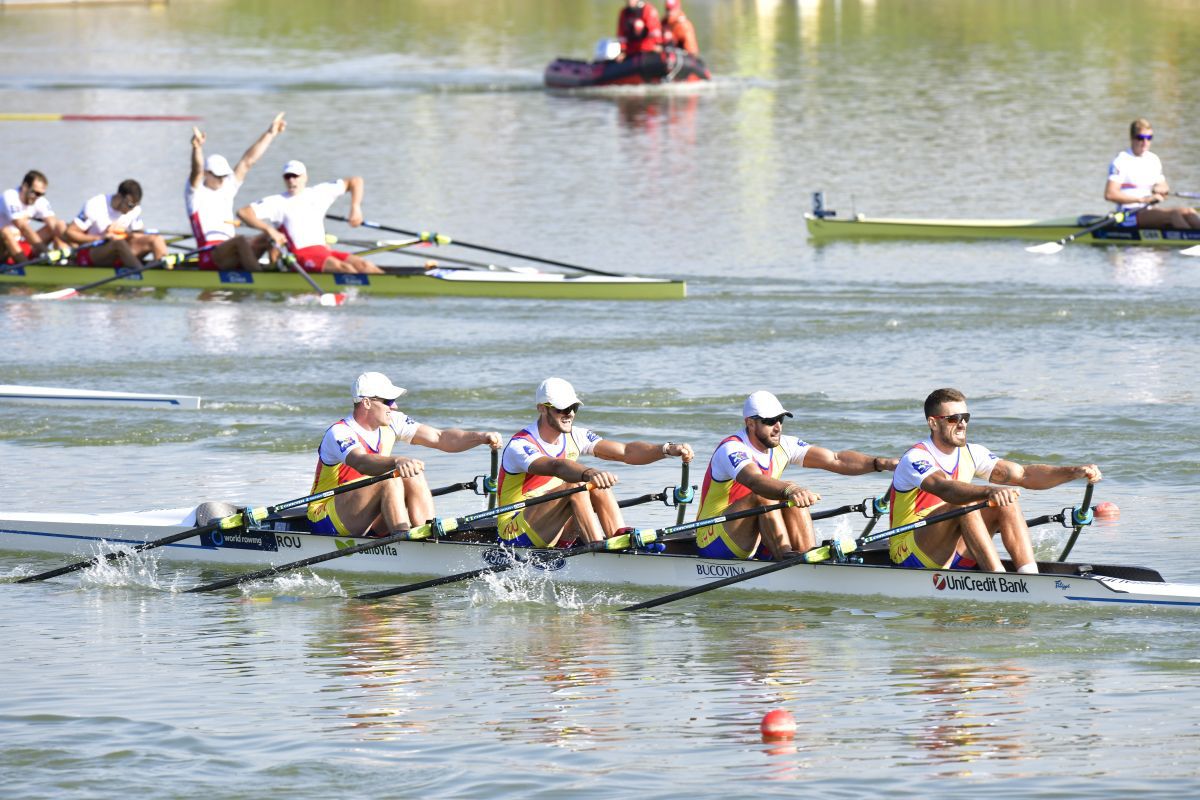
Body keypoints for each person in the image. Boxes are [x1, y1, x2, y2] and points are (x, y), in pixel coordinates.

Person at [888, 388, 1103, 574]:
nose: (962, 424)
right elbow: (945, 489)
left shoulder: (973, 453)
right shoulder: (916, 457)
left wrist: (1073, 472)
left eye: (965, 418)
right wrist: (987, 492)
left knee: (1006, 500)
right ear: (933, 423)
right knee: (966, 501)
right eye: (953, 419)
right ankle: (998, 578)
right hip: (910, 553)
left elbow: (1025, 475)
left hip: (955, 550)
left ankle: (1029, 576)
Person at [694, 391, 897, 561]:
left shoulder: (784, 445)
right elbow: (754, 481)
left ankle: (807, 556)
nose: (778, 427)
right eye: (769, 421)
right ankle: (786, 558)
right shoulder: (732, 449)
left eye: (780, 420)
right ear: (750, 423)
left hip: (754, 532)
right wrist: (791, 490)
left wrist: (880, 463)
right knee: (775, 492)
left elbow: (836, 459)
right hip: (714, 538)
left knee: (788, 491)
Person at [496, 377, 693, 548]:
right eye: (562, 408)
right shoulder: (520, 445)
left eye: (574, 407)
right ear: (542, 408)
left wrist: (666, 449)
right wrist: (588, 472)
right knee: (578, 484)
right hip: (514, 531)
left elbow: (626, 452)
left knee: (595, 485)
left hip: (553, 525)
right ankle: (597, 548)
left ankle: (618, 537)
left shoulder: (577, 435)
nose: (570, 414)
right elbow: (556, 466)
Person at [307, 372, 502, 538]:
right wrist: (397, 460)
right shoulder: (340, 432)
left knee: (412, 472)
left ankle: (425, 532)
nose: (395, 407)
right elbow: (361, 462)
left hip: (365, 513)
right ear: (366, 402)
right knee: (390, 477)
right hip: (325, 517)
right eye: (388, 401)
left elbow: (439, 437)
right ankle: (404, 539)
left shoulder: (393, 421)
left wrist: (480, 437)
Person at [238, 160, 381, 274]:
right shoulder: (276, 202)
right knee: (345, 269)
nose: (292, 180)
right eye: (288, 176)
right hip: (300, 256)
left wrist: (355, 208)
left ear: (305, 177)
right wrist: (269, 230)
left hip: (323, 251)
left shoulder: (320, 193)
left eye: (296, 176)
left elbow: (355, 181)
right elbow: (243, 212)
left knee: (365, 265)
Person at [187, 113, 286, 270]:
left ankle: (275, 270)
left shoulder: (226, 187)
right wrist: (197, 148)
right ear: (206, 173)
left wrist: (270, 133)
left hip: (232, 251)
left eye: (224, 175)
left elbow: (248, 161)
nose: (222, 179)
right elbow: (196, 170)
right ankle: (260, 280)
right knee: (240, 240)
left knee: (271, 235)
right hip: (210, 254)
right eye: (218, 175)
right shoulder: (195, 193)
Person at [1104, 118, 1200, 230]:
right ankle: (1191, 241)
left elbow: (1163, 185)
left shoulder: (1153, 159)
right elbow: (1110, 194)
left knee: (1189, 212)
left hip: (1150, 211)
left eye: (1149, 138)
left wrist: (1161, 188)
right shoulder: (1121, 160)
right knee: (1174, 215)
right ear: (1132, 138)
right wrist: (1142, 200)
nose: (1145, 143)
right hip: (1128, 215)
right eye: (1141, 138)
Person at [64, 179, 168, 268]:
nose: (132, 209)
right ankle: (143, 276)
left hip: (123, 252)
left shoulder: (134, 210)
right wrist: (101, 237)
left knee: (156, 239)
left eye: (135, 206)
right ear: (119, 196)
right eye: (130, 205)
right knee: (118, 242)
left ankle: (164, 273)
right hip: (93, 252)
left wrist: (126, 233)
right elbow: (70, 232)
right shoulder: (95, 205)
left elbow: (139, 235)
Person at [1, 170, 68, 264]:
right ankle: (27, 269)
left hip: (21, 246)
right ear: (25, 186)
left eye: (40, 194)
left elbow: (54, 225)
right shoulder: (10, 196)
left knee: (57, 226)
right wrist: (47, 252)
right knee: (5, 232)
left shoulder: (40, 201)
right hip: (3, 249)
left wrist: (70, 245)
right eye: (34, 192)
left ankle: (65, 261)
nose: (37, 197)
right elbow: (23, 227)